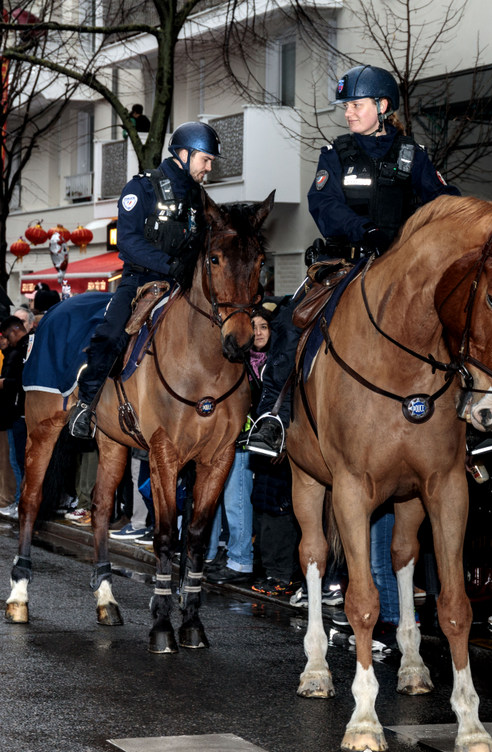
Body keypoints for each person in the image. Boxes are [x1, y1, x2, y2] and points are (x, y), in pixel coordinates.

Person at [246, 63, 460, 457]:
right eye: (346, 106)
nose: (348, 112)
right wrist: (365, 231)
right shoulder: (336, 154)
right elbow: (322, 203)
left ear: (382, 106)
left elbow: (445, 203)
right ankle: (271, 417)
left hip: (402, 266)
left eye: (356, 105)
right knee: (292, 323)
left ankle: (471, 424)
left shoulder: (414, 156)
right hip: (344, 263)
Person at [68, 121, 221, 438]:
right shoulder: (142, 188)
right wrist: (170, 264)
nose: (209, 167)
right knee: (111, 335)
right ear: (183, 153)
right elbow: (128, 242)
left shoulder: (200, 199)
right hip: (141, 280)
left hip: (184, 285)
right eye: (205, 159)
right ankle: (85, 404)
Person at [205, 307, 273, 585]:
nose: (257, 333)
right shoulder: (239, 359)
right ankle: (223, 553)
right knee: (220, 501)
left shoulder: (271, 360)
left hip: (246, 440)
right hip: (225, 437)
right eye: (253, 327)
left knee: (237, 501)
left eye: (263, 327)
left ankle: (241, 560)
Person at [0, 317, 29, 519]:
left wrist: (4, 383)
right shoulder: (21, 350)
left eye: (6, 336)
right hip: (17, 413)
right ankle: (20, 501)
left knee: (17, 461)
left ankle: (21, 502)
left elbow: (18, 382)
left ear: (15, 330)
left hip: (18, 414)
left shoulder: (22, 351)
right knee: (17, 460)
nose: (6, 340)